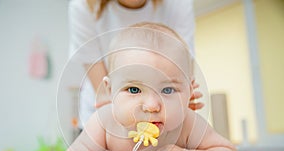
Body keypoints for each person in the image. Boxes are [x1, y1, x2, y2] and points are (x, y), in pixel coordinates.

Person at [62, 22, 240, 151]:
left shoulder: (187, 122)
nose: (152, 106)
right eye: (134, 89)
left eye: (167, 90)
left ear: (188, 93)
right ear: (110, 91)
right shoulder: (104, 121)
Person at [68, 0, 204, 127]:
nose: (150, 106)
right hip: (108, 113)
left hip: (165, 117)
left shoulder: (178, 4)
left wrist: (180, 101)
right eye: (134, 89)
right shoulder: (83, 7)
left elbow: (183, 75)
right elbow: (104, 94)